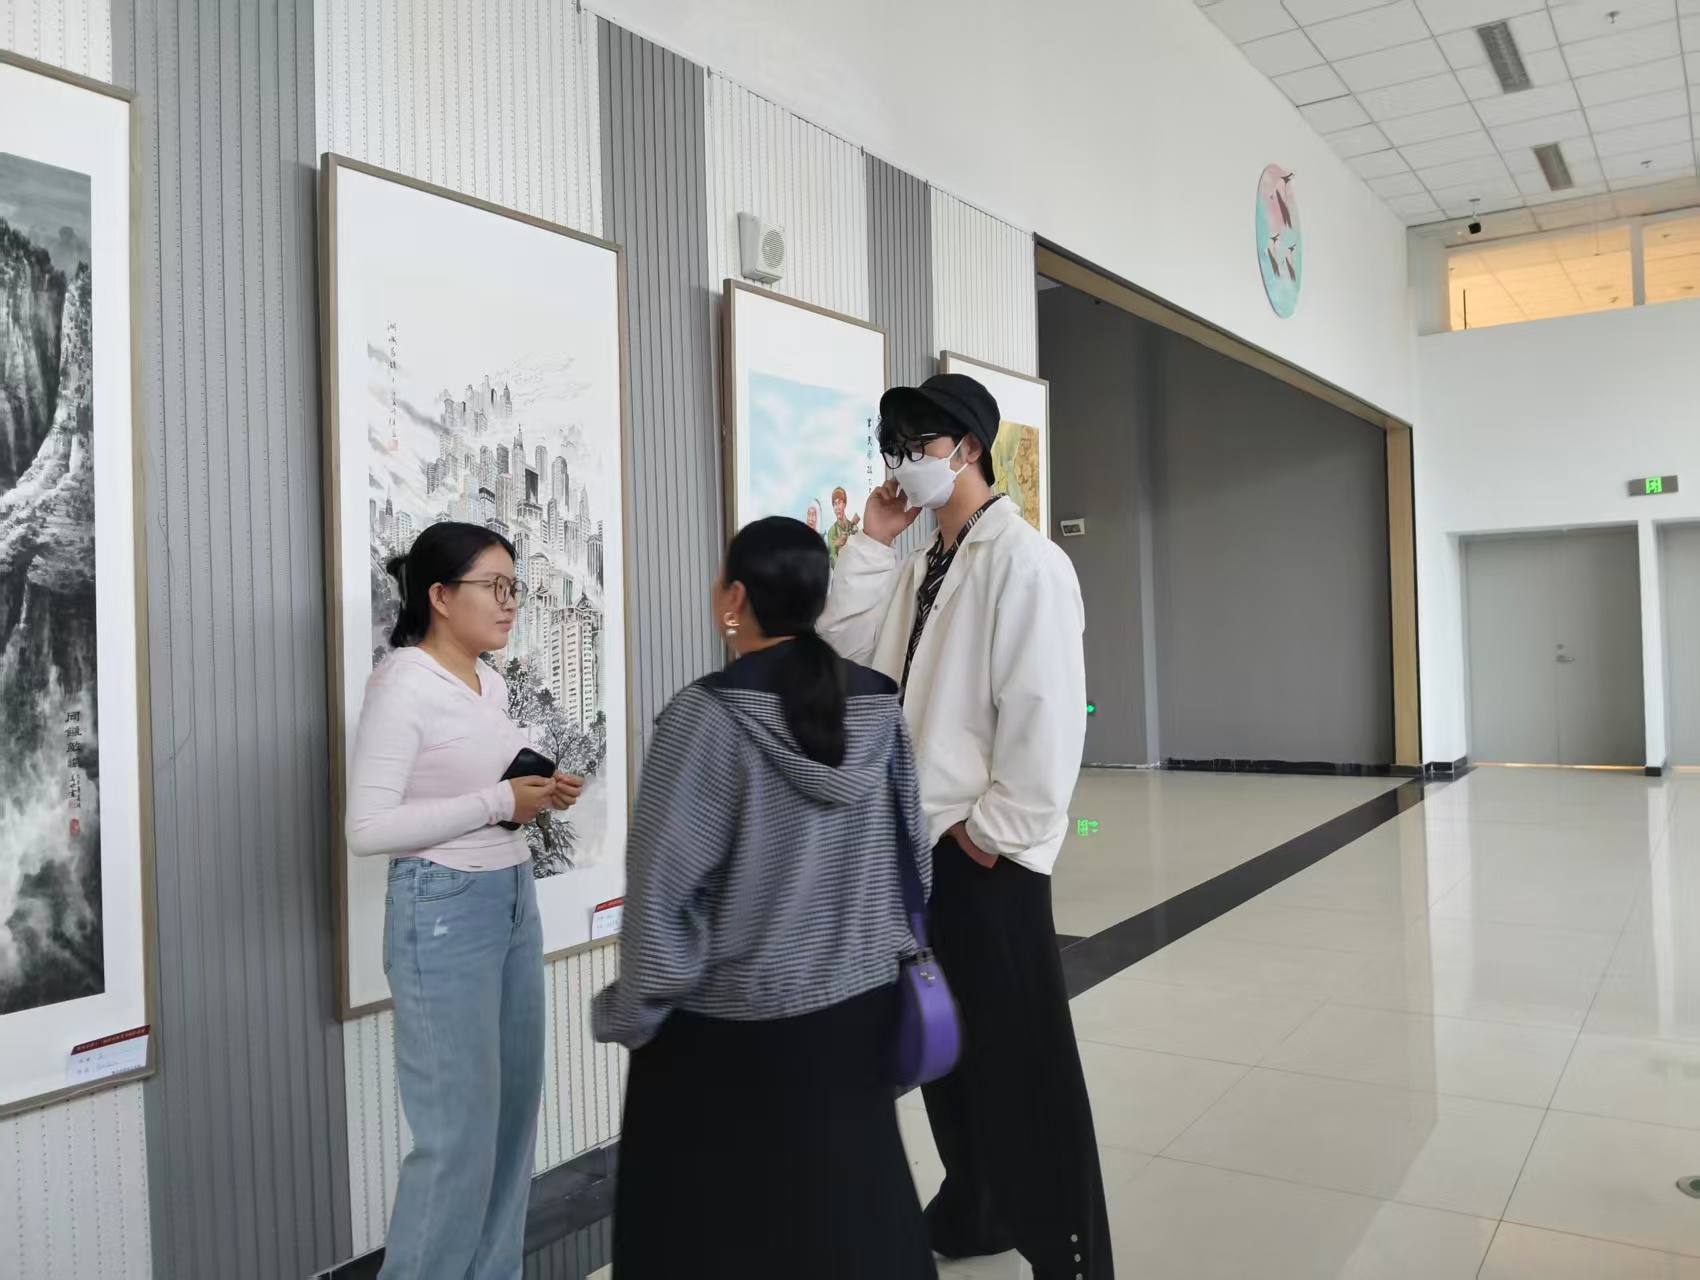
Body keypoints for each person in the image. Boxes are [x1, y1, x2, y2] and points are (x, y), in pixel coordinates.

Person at [819, 373, 1110, 1279]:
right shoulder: (922, 566)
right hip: (923, 851)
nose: (902, 462)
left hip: (986, 857)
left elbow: (1047, 715)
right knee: (948, 1052)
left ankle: (1068, 1250)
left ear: (969, 449)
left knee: (1021, 1065)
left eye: (918, 445)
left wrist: (991, 835)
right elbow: (842, 648)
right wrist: (872, 539)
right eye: (892, 447)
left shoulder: (1025, 562)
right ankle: (977, 1207)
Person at [593, 516, 936, 1279]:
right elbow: (914, 861)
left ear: (735, 597)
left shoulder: (706, 716)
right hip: (858, 1014)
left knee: (716, 1238)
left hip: (728, 1036)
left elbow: (660, 894)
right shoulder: (877, 705)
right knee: (848, 1225)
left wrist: (632, 1012)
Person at [346, 520, 583, 1280]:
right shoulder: (403, 683)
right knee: (457, 1138)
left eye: (515, 588)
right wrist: (497, 801)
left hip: (511, 896)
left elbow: (481, 796)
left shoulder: (492, 683)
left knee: (512, 1120)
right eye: (495, 586)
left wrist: (536, 796)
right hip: (443, 908)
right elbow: (367, 828)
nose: (510, 602)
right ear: (441, 597)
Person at [826, 485, 861, 566]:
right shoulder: (831, 532)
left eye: (839, 503)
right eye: (834, 504)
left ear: (844, 504)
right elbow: (833, 559)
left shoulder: (853, 527)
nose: (837, 508)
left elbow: (858, 554)